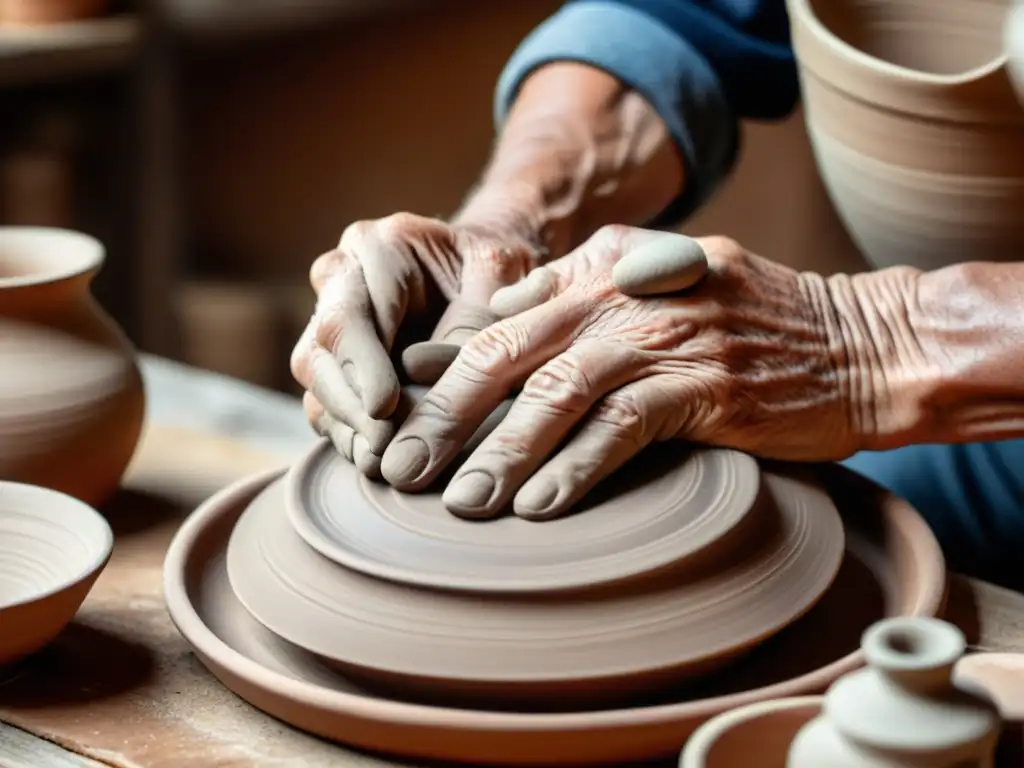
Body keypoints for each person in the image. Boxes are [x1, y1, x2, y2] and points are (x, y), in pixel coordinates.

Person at [291, 0, 1024, 588]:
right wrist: (509, 223)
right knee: (802, 534)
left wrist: (866, 341)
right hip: (971, 439)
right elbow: (675, 17)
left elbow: (867, 347)